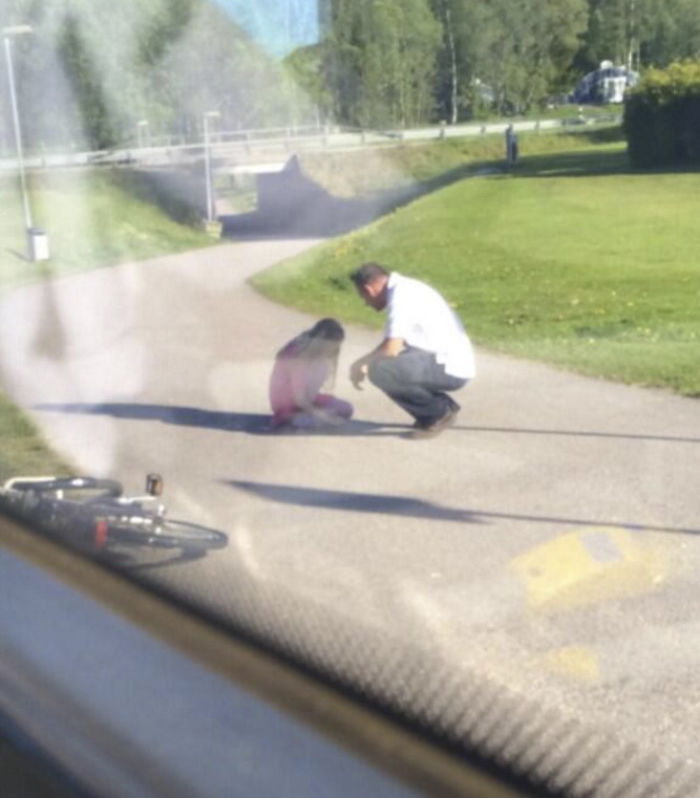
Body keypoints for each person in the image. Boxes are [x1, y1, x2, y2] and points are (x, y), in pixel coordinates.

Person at [349, 262, 475, 438]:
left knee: (380, 370)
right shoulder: (405, 288)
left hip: (451, 366)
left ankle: (437, 414)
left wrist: (363, 363)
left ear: (369, 290)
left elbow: (391, 349)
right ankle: (439, 406)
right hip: (447, 360)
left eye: (364, 298)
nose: (366, 303)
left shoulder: (401, 297)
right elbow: (395, 343)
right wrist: (366, 361)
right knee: (387, 363)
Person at [269, 317, 354, 429]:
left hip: (307, 398)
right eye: (332, 347)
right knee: (310, 421)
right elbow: (299, 398)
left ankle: (307, 416)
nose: (333, 351)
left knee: (346, 408)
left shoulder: (318, 358)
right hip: (287, 404)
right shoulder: (299, 356)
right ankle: (291, 419)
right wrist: (323, 416)